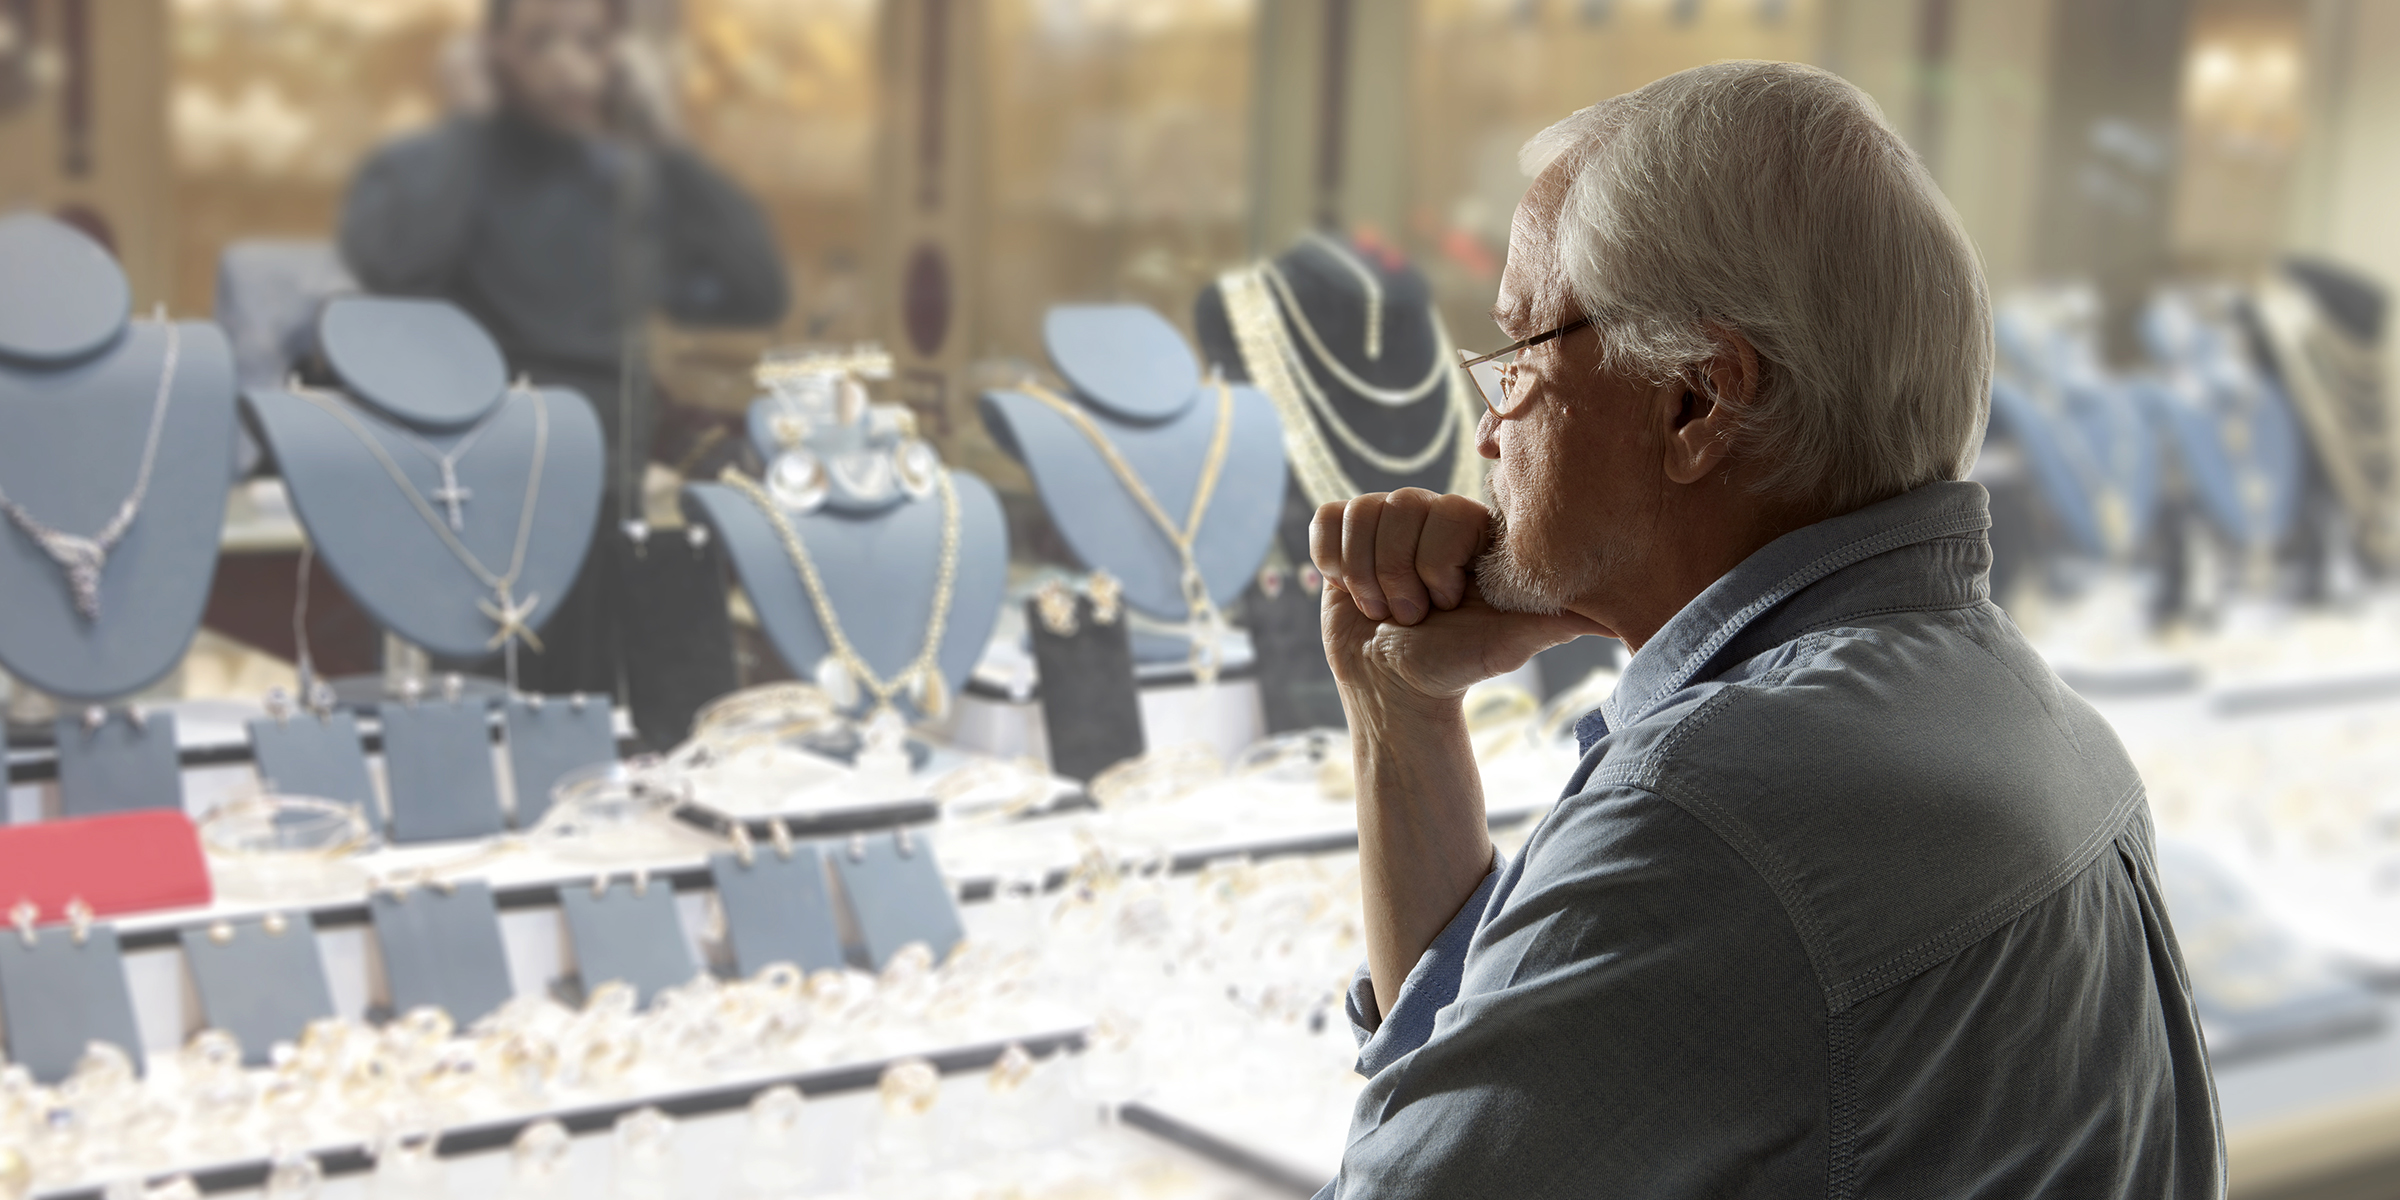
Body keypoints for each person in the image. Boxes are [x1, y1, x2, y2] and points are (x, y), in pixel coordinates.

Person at [1309, 62, 2220, 1198]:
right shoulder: (2018, 702)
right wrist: (1402, 714)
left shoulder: (1717, 809)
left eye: (1520, 361)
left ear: (1697, 400)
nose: (1491, 435)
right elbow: (1485, 1059)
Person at [339, 0, 788, 692]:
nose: (566, 64)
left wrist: (664, 135)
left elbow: (753, 288)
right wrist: (470, 123)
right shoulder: (430, 164)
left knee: (590, 725)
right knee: (477, 727)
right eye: (541, 40)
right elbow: (394, 265)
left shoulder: (624, 180)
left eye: (589, 41)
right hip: (473, 496)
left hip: (607, 490)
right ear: (493, 50)